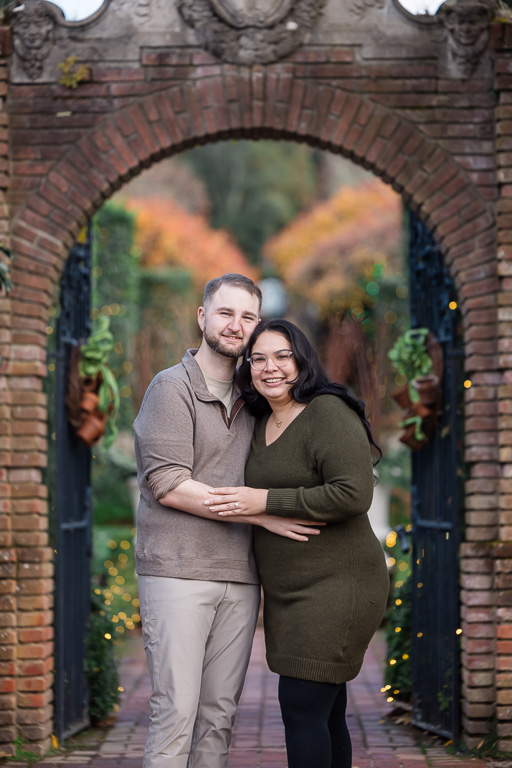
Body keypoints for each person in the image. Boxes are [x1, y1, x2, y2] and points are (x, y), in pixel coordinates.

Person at [133, 277, 321, 768]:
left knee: (218, 717)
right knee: (175, 712)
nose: (236, 326)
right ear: (202, 317)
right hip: (176, 571)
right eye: (225, 313)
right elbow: (169, 484)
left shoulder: (257, 394)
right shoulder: (170, 388)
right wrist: (262, 511)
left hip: (240, 576)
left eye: (248, 317)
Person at [204, 318, 389, 768]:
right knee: (326, 714)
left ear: (303, 360)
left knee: (302, 709)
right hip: (289, 594)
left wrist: (261, 499)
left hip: (338, 586)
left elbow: (353, 494)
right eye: (259, 358)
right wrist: (263, 511)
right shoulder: (261, 419)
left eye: (283, 356)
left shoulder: (327, 412)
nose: (271, 368)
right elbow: (260, 503)